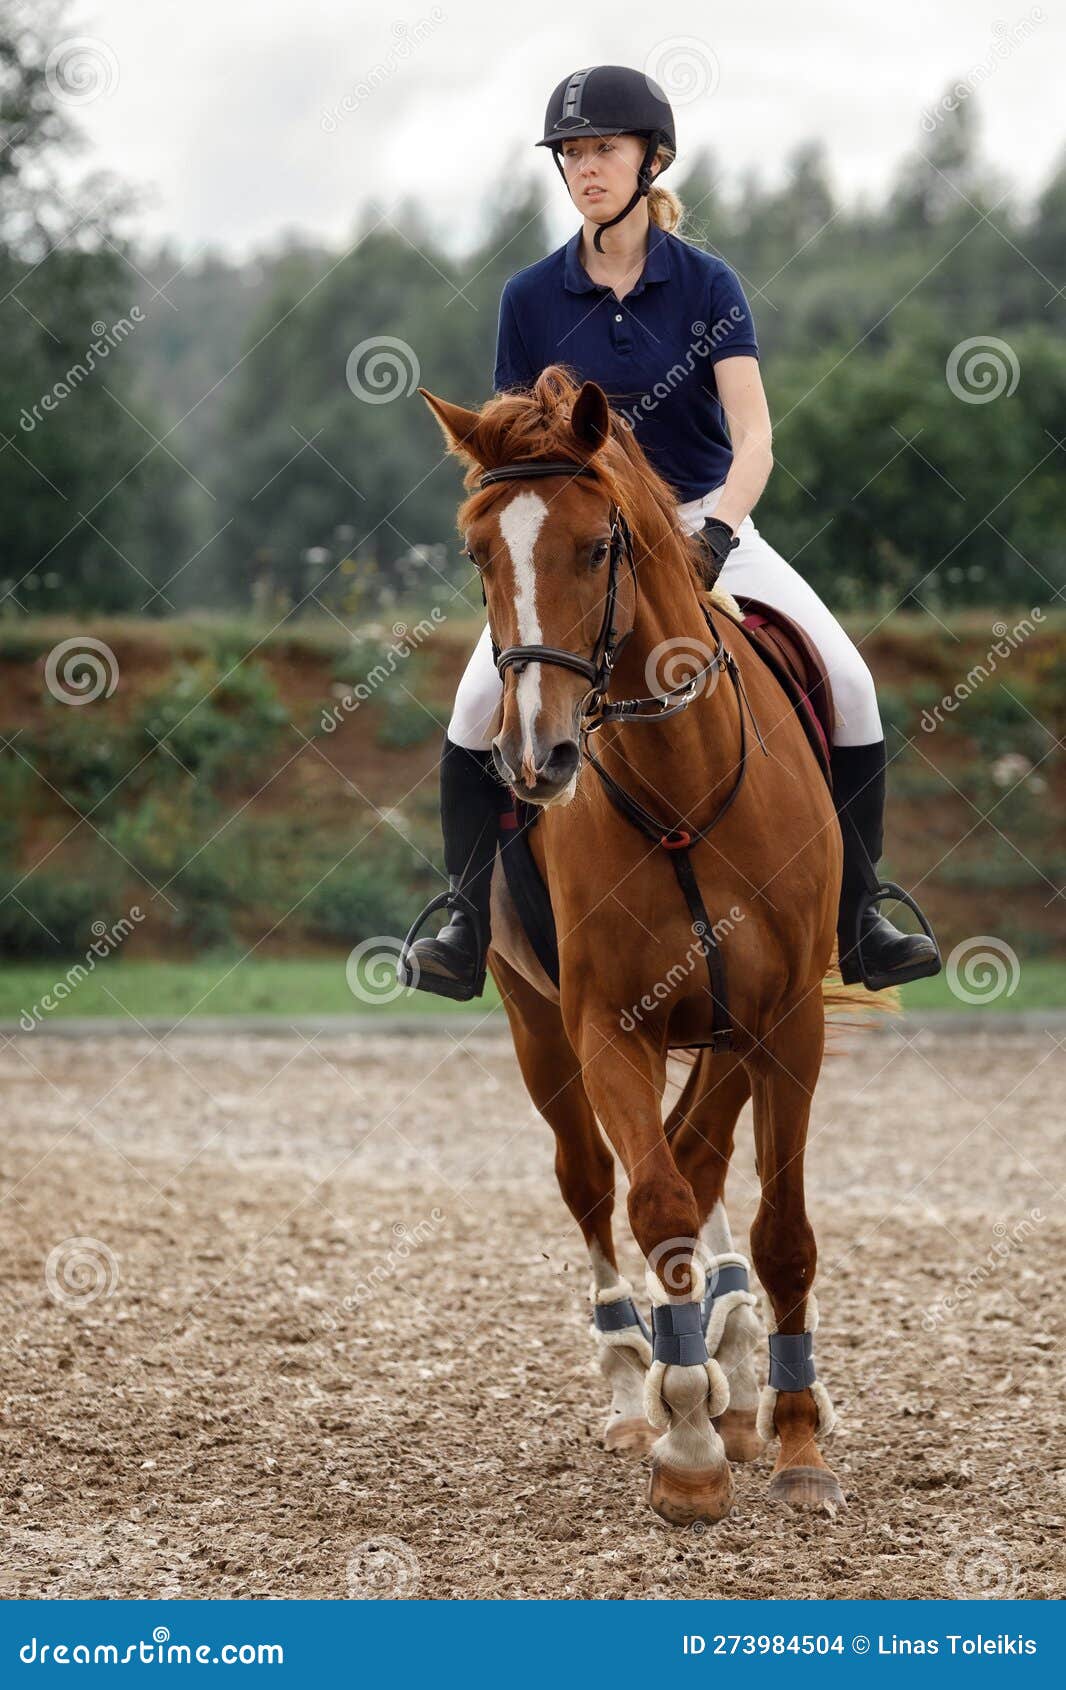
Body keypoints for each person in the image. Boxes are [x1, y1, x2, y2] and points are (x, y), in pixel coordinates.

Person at [404, 63, 940, 1001]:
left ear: (651, 159)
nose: (584, 168)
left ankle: (861, 916)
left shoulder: (707, 283)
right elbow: (518, 442)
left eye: (603, 149)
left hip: (702, 517)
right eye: (570, 154)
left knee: (850, 684)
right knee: (468, 711)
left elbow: (756, 438)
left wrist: (721, 534)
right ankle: (461, 915)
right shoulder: (530, 296)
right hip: (577, 538)